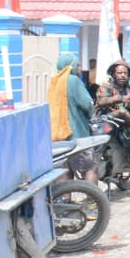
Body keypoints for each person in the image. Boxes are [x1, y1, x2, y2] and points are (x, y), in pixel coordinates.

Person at [47, 52, 99, 185]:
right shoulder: (73, 80)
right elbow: (87, 104)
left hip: (58, 137)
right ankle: (93, 202)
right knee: (90, 167)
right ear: (70, 67)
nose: (80, 68)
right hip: (77, 134)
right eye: (78, 65)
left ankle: (65, 201)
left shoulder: (54, 82)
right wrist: (89, 114)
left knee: (65, 170)